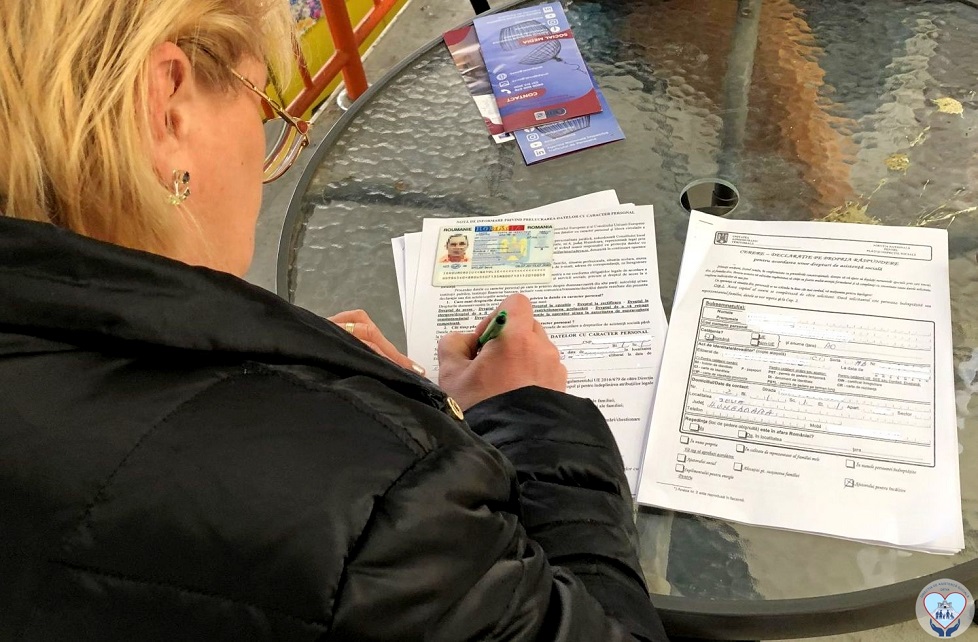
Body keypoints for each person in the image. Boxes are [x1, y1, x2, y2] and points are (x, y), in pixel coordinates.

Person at [0, 1, 669, 640]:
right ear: (166, 103)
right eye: (262, 107)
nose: (264, 161)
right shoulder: (372, 507)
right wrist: (528, 417)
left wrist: (372, 401)